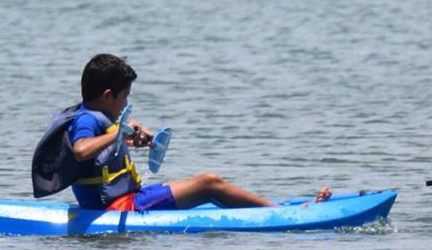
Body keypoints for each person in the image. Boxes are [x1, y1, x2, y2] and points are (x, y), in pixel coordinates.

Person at [33, 53, 325, 211]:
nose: (125, 103)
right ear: (108, 95)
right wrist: (118, 134)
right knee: (209, 183)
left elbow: (101, 156)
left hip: (128, 198)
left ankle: (269, 206)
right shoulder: (86, 121)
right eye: (125, 96)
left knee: (205, 186)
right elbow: (82, 149)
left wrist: (131, 139)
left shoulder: (97, 117)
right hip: (119, 207)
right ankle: (281, 214)